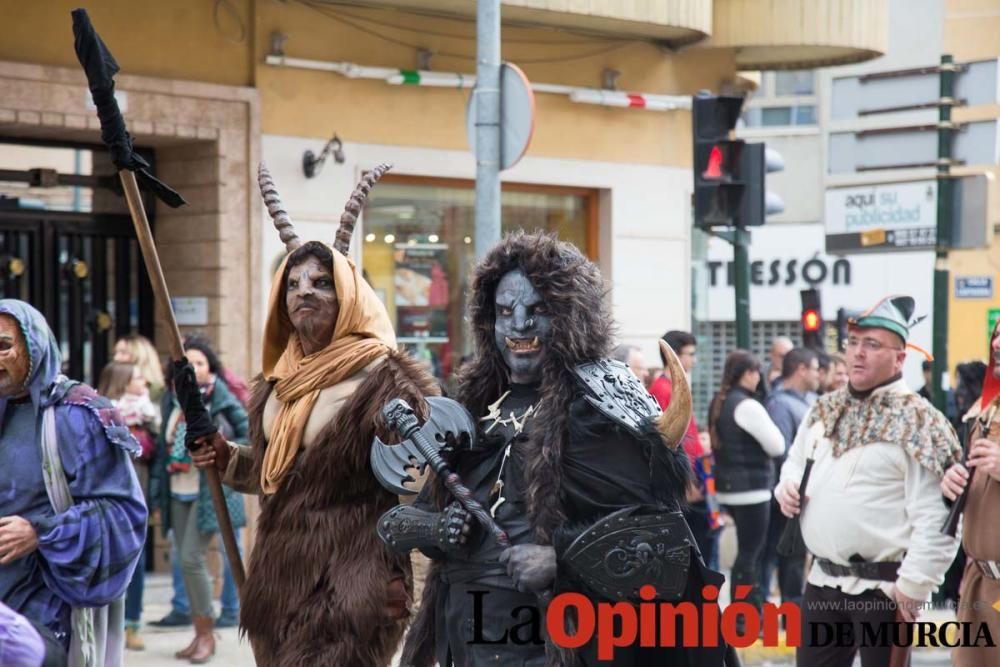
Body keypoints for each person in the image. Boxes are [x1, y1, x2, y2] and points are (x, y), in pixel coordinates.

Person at [381, 232, 728, 666]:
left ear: (569, 317)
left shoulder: (601, 407)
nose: (520, 325)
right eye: (506, 312)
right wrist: (437, 529)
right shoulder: (470, 408)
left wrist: (560, 560)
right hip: (465, 636)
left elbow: (660, 547)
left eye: (538, 310)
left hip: (556, 642)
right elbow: (417, 523)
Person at [187, 164, 440, 665]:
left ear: (348, 300)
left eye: (322, 282)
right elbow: (273, 473)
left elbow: (424, 492)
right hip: (279, 581)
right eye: (294, 283)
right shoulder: (278, 384)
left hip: (354, 581)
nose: (304, 291)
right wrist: (226, 458)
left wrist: (411, 585)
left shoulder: (385, 381)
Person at [775, 295, 961, 667]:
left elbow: (940, 521)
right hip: (822, 582)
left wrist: (913, 588)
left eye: (872, 344)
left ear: (900, 358)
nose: (858, 353)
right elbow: (794, 463)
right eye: (854, 343)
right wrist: (788, 487)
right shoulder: (824, 408)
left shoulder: (921, 423)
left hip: (884, 590)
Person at [0, 299, 147, 664]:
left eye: (3, 345)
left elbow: (123, 515)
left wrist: (40, 533)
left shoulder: (78, 413)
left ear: (33, 346)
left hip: (47, 601)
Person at [150, 337, 248, 663]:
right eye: (186, 364)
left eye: (200, 363)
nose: (194, 369)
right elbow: (163, 447)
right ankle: (199, 632)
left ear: (211, 367)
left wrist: (221, 445)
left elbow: (248, 433)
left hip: (211, 488)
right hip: (178, 486)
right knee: (183, 558)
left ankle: (207, 634)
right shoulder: (170, 400)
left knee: (191, 557)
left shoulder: (221, 397)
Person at [708, 350, 785, 626]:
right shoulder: (748, 405)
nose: (759, 378)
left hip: (729, 489)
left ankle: (743, 613)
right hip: (753, 489)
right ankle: (745, 616)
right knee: (751, 554)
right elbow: (777, 444)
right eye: (756, 373)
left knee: (745, 553)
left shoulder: (719, 401)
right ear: (749, 374)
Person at [940, 320, 1000, 667]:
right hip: (980, 580)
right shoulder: (984, 410)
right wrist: (951, 486)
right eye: (996, 338)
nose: (997, 347)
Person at [98, 361, 161, 651]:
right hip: (106, 499)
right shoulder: (98, 413)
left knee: (134, 562)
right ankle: (105, 624)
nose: (144, 384)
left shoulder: (149, 412)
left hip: (138, 495)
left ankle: (132, 624)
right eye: (138, 378)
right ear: (122, 382)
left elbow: (152, 452)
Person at [649, 329, 723, 570]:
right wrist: (687, 479)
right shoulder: (663, 389)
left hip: (693, 475)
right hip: (685, 480)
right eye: (690, 354)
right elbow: (671, 442)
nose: (694, 360)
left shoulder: (670, 387)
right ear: (674, 356)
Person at [761, 347, 819, 611]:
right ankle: (789, 615)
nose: (820, 375)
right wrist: (788, 487)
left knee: (796, 563)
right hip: (789, 498)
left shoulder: (810, 401)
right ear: (801, 369)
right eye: (816, 368)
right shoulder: (780, 404)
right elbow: (784, 454)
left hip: (807, 497)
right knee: (788, 561)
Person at [113, 333, 166, 400]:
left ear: (140, 356)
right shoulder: (114, 384)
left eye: (123, 352)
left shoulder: (157, 391)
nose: (116, 358)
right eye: (115, 353)